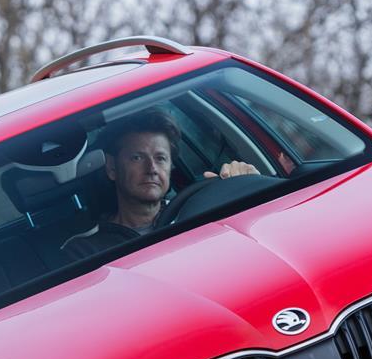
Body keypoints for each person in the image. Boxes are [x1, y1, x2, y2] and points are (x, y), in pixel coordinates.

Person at [62, 108, 259, 261]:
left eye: (161, 158)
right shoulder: (83, 250)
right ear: (112, 168)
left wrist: (249, 183)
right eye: (137, 158)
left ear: (171, 166)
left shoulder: (199, 213)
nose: (152, 168)